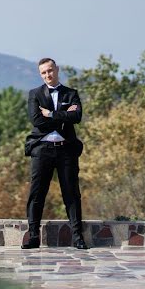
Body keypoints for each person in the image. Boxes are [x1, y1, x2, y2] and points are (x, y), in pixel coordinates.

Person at [23, 58, 88, 250]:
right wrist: (63, 115)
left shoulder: (71, 93)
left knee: (71, 193)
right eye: (43, 73)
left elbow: (76, 117)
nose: (47, 75)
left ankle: (78, 238)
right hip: (42, 149)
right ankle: (33, 236)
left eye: (50, 71)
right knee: (37, 193)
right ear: (40, 74)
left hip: (66, 150)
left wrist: (51, 114)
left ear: (57, 70)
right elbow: (37, 121)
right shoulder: (34, 94)